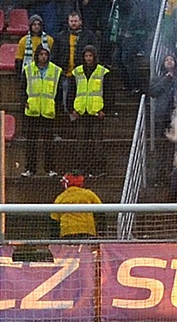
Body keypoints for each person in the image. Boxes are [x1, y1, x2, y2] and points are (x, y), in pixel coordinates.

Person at [21, 44, 61, 177]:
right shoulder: (28, 69)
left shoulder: (55, 70)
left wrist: (57, 106)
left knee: (48, 142)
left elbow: (59, 92)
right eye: (41, 54)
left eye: (45, 54)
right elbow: (22, 88)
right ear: (36, 55)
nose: (43, 57)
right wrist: (24, 102)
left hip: (48, 111)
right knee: (31, 141)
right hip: (32, 110)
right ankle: (30, 169)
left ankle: (50, 169)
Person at [69, 43, 110, 173]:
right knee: (81, 142)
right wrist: (71, 110)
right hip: (81, 112)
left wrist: (105, 110)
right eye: (86, 56)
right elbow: (71, 92)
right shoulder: (77, 72)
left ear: (94, 57)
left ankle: (99, 168)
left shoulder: (103, 72)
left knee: (97, 142)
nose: (88, 58)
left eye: (90, 56)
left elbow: (109, 93)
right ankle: (81, 167)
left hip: (97, 113)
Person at [51, 174, 102, 239]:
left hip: (67, 231)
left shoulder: (61, 197)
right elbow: (100, 212)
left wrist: (54, 239)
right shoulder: (89, 194)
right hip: (87, 230)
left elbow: (54, 219)